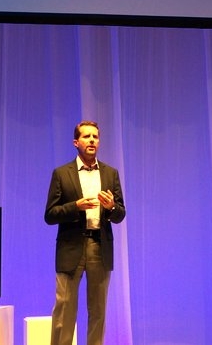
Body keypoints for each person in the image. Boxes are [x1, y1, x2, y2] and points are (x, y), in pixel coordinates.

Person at [44, 120, 127, 345]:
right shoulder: (62, 173)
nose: (91, 140)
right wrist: (75, 207)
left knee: (98, 311)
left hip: (100, 246)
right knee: (64, 310)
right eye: (86, 136)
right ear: (76, 142)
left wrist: (111, 207)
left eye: (95, 137)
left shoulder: (111, 173)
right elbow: (50, 214)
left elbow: (120, 214)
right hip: (70, 248)